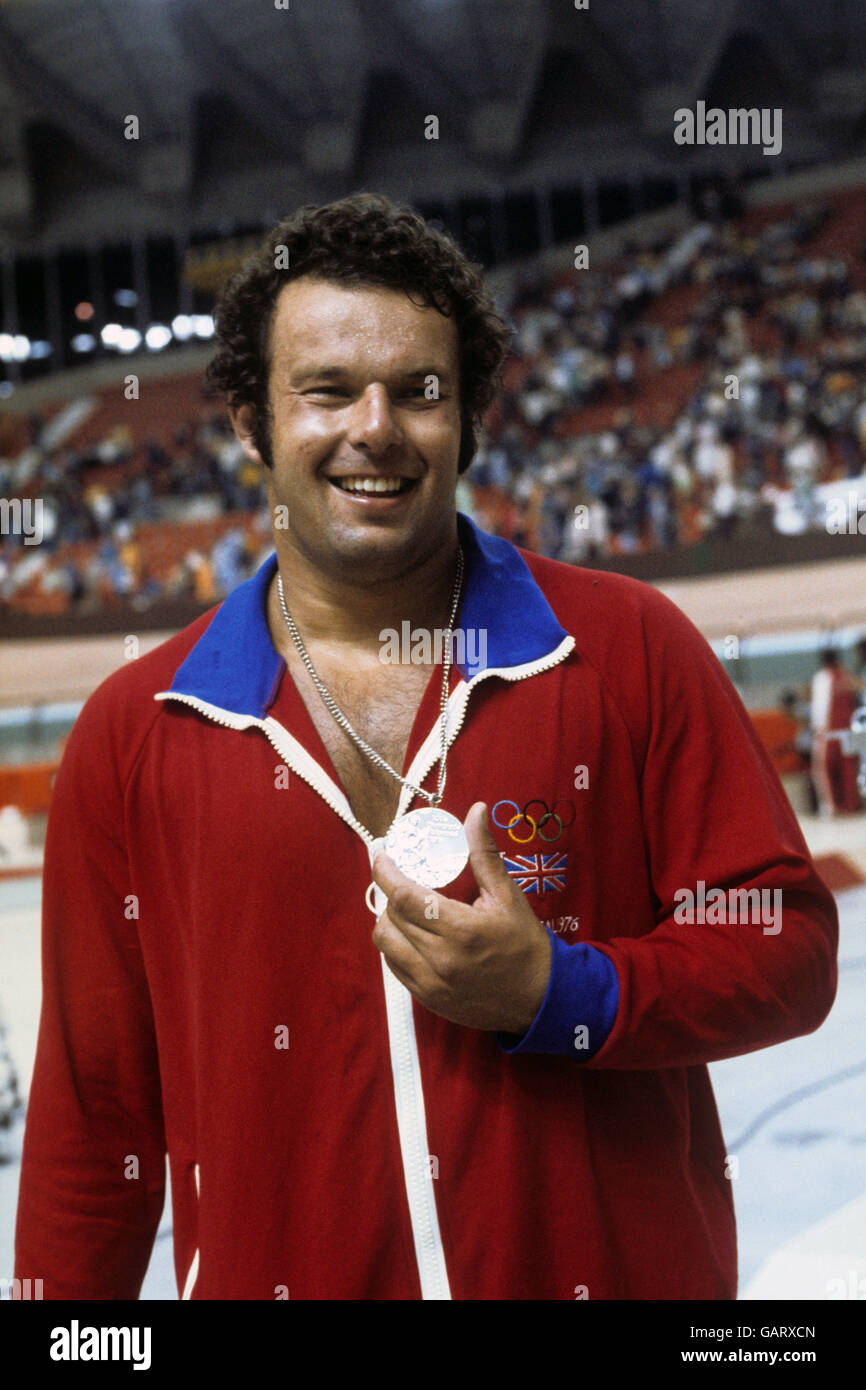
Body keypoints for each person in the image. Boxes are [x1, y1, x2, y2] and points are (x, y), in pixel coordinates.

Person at [15, 194, 838, 1301]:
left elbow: (784, 949)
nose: (374, 428)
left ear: (473, 417)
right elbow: (92, 1122)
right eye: (324, 391)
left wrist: (561, 989)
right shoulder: (134, 731)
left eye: (419, 391)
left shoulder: (626, 647)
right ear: (249, 421)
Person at [810, 648, 863, 816]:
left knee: (825, 768)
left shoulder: (822, 678)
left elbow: (820, 707)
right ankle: (851, 804)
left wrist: (818, 728)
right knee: (848, 768)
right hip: (848, 730)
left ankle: (832, 805)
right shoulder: (847, 676)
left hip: (829, 732)